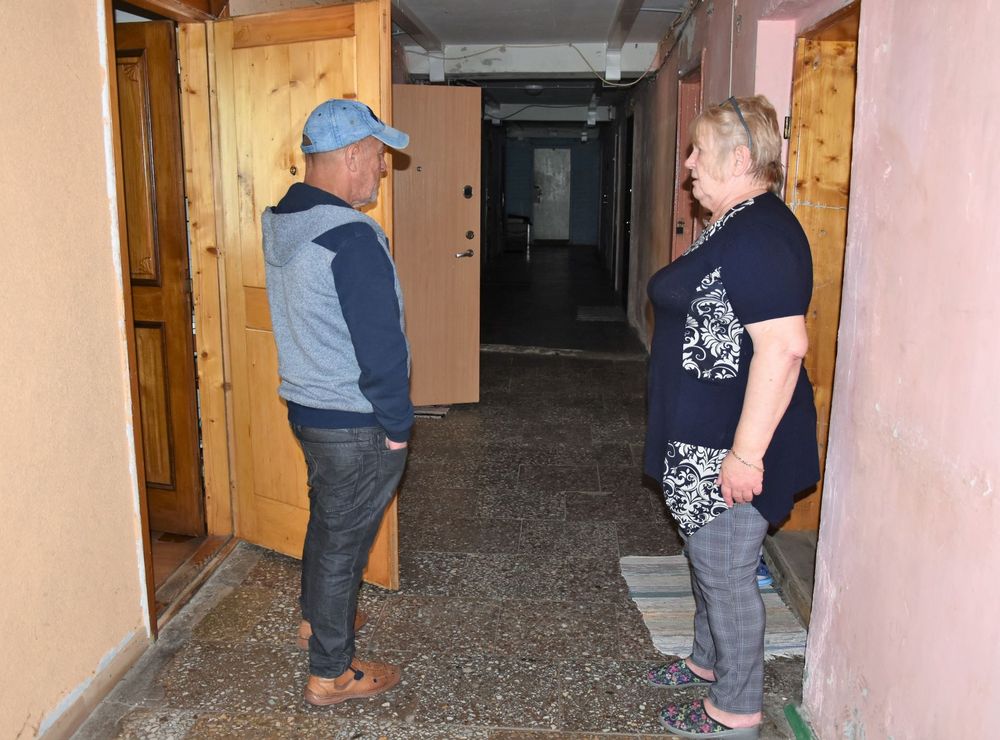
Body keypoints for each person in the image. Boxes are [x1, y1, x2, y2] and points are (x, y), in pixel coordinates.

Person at [643, 95, 820, 738]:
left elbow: (785, 347)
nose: (689, 164)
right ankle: (706, 661)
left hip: (729, 447)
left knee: (726, 575)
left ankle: (736, 710)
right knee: (708, 559)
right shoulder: (737, 223)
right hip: (704, 440)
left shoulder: (761, 234)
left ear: (741, 158)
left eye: (699, 151)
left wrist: (745, 456)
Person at [262, 99, 413, 707]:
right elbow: (381, 347)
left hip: (309, 408)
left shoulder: (285, 218)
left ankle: (317, 620)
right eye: (377, 156)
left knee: (329, 522)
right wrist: (398, 424)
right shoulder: (351, 237)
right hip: (354, 420)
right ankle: (331, 674)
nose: (381, 168)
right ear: (351, 155)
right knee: (345, 544)